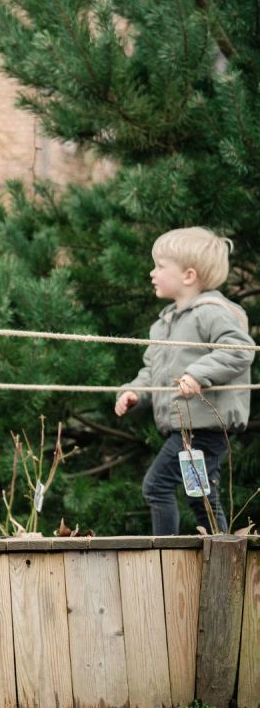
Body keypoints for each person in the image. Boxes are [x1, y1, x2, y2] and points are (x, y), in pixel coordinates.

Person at [114, 227, 253, 535]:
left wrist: (198, 374)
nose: (152, 273)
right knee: (200, 496)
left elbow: (241, 350)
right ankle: (221, 546)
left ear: (189, 275)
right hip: (188, 428)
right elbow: (152, 371)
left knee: (156, 485)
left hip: (205, 428)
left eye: (160, 266)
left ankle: (163, 552)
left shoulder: (210, 314)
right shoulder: (164, 325)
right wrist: (134, 392)